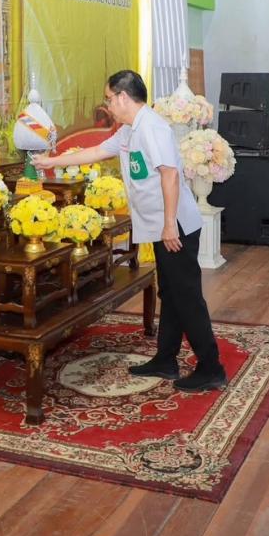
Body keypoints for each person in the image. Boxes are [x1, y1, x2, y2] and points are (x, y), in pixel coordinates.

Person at [34, 70, 227, 392]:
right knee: (171, 294)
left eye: (109, 98)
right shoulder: (129, 129)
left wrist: (169, 225)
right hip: (162, 226)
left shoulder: (152, 127)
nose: (107, 105)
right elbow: (97, 151)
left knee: (187, 297)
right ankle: (166, 359)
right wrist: (50, 162)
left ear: (123, 97)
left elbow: (170, 175)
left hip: (174, 226)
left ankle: (211, 367)